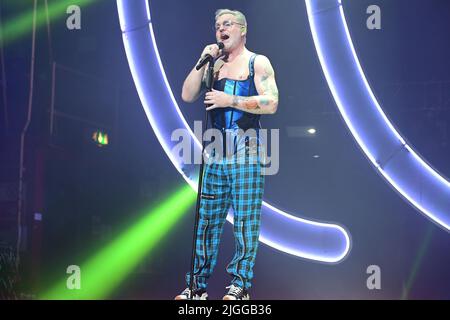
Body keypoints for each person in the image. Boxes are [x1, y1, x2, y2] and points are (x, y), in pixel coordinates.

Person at [175, 8, 279, 300]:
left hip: (246, 149)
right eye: (218, 25)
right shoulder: (213, 65)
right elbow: (186, 94)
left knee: (245, 221)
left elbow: (271, 103)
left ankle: (240, 285)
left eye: (228, 24)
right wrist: (202, 61)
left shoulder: (257, 62)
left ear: (242, 30)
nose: (221, 28)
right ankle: (197, 285)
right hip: (215, 150)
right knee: (207, 219)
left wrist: (230, 99)